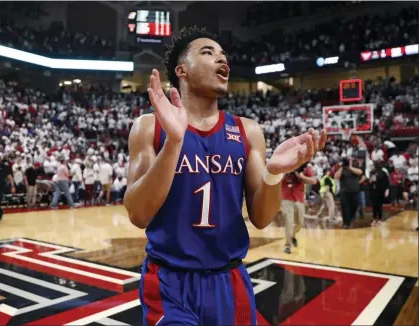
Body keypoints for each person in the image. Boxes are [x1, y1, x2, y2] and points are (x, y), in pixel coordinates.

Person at [123, 26, 326, 325]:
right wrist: (174, 143)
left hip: (230, 280)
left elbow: (261, 217)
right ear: (182, 70)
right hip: (169, 282)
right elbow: (138, 214)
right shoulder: (148, 127)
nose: (223, 61)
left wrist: (273, 173)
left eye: (224, 56)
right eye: (208, 53)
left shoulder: (248, 130)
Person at [281, 164, 317, 254]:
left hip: (299, 199)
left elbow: (314, 181)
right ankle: (287, 245)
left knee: (300, 223)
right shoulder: (285, 166)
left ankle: (292, 235)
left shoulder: (304, 168)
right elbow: (276, 181)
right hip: (286, 199)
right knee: (288, 223)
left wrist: (301, 176)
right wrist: (286, 173)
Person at [334, 157, 363, 229]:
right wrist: (341, 167)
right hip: (344, 192)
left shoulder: (354, 167)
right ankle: (345, 223)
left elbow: (360, 172)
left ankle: (351, 219)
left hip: (355, 191)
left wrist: (350, 167)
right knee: (345, 208)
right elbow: (336, 177)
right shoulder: (341, 169)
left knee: (355, 206)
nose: (349, 161)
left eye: (350, 160)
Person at [369, 161, 390, 226]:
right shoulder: (372, 172)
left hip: (380, 190)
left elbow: (387, 182)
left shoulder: (383, 173)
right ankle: (374, 219)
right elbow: (369, 182)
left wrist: (387, 190)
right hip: (373, 190)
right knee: (374, 206)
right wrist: (371, 180)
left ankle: (380, 219)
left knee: (379, 205)